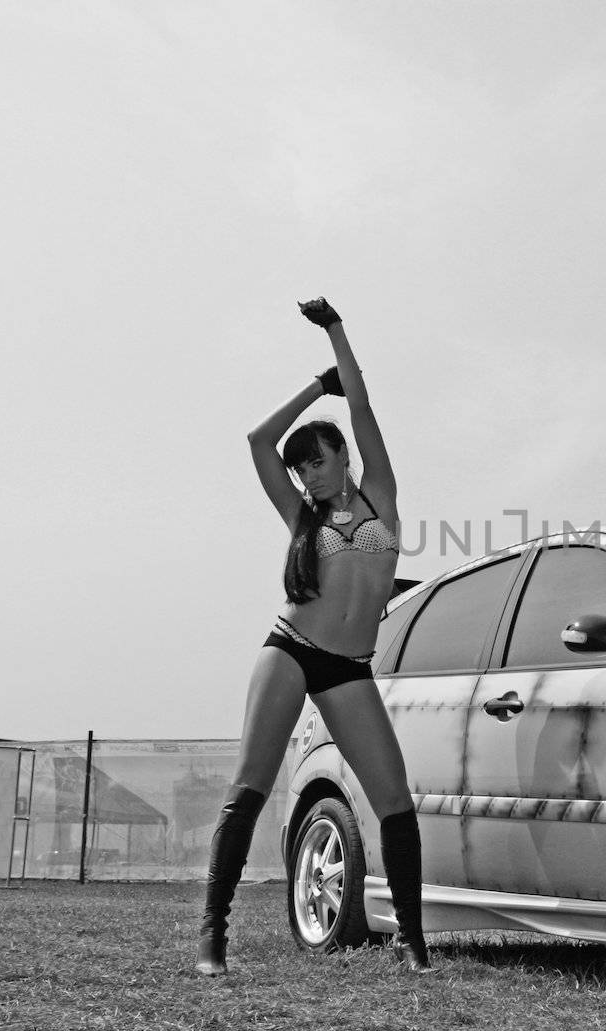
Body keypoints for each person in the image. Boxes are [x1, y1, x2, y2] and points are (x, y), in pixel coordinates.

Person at [196, 297, 430, 976]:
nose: (308, 474)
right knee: (252, 782)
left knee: (395, 800)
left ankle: (412, 942)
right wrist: (310, 388)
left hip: (349, 666)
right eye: (301, 469)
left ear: (344, 456)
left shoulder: (380, 493)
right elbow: (256, 442)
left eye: (318, 462)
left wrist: (337, 337)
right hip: (291, 650)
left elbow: (363, 407)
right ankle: (213, 932)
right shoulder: (302, 516)